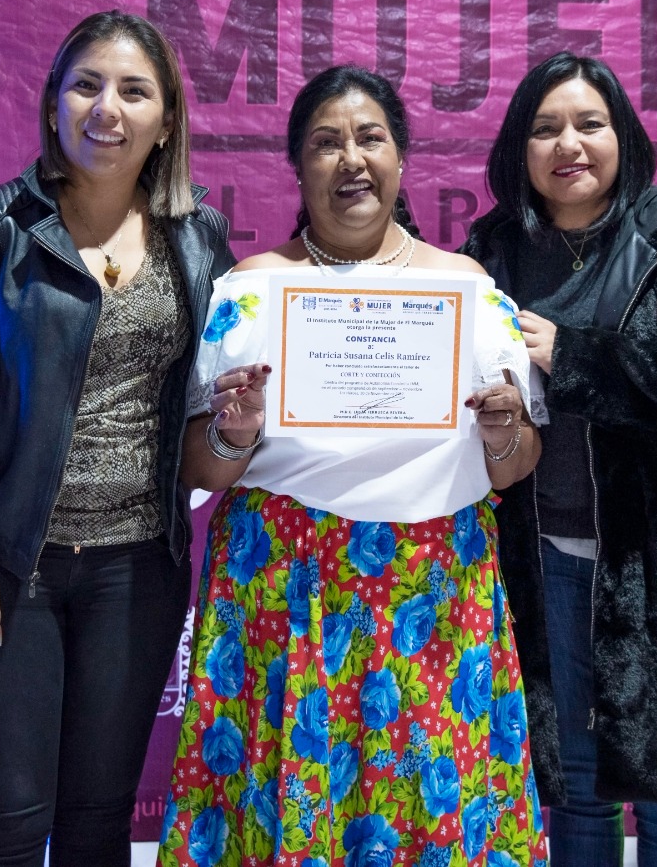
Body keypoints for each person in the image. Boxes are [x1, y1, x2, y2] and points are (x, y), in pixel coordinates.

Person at [159, 65, 548, 866]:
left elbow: (513, 469)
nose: (350, 160)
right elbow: (199, 466)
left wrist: (506, 428)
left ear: (402, 158)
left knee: (434, 812)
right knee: (282, 804)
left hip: (434, 590)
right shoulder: (253, 290)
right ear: (298, 166)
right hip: (283, 586)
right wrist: (234, 431)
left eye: (370, 139)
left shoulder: (468, 290)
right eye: (325, 144)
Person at [0, 10, 235, 866]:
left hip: (140, 572)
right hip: (13, 571)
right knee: (13, 824)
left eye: (134, 90)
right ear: (53, 102)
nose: (107, 109)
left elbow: (213, 390)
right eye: (86, 85)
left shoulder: (197, 238)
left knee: (99, 822)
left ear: (167, 119)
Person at [461, 51, 657, 867]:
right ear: (518, 151)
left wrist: (576, 355)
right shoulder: (490, 251)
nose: (570, 144)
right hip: (542, 552)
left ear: (622, 134)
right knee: (573, 789)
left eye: (589, 124)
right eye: (545, 127)